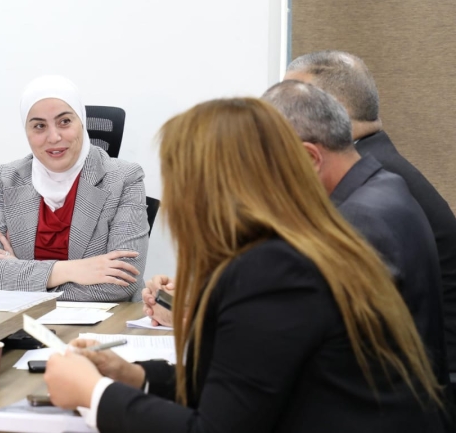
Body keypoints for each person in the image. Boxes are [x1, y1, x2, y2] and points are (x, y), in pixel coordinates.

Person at [44, 98, 444, 432]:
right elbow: (245, 384)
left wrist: (94, 394)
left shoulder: (276, 269)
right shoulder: (298, 246)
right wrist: (134, 376)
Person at [263, 79, 449, 389]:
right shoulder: (385, 186)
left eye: (270, 167)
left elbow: (298, 343)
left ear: (310, 158)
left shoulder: (357, 221)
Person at [0, 75, 148, 301]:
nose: (53, 137)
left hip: (106, 320)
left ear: (81, 121)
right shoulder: (9, 179)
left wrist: (20, 278)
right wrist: (71, 270)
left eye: (64, 122)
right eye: (39, 126)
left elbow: (123, 282)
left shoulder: (125, 178)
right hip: (25, 319)